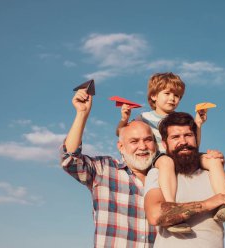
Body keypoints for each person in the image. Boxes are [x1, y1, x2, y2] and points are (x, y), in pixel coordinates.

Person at [116, 72, 225, 233]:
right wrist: (124, 119)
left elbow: (194, 144)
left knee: (213, 160)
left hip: (183, 155)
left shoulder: (179, 119)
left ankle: (223, 203)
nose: (173, 98)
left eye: (177, 96)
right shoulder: (144, 117)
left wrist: (198, 124)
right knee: (167, 162)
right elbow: (122, 133)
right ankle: (171, 209)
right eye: (167, 93)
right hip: (161, 157)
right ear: (153, 96)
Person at [144, 112, 225, 248]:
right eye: (175, 137)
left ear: (196, 138)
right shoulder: (158, 174)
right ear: (165, 144)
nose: (183, 142)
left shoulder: (217, 175)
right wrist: (208, 204)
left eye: (188, 135)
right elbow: (155, 215)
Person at [60, 87, 157, 247]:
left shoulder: (164, 178)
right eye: (134, 141)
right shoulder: (104, 169)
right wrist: (82, 114)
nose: (142, 146)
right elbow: (70, 160)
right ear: (121, 146)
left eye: (148, 140)